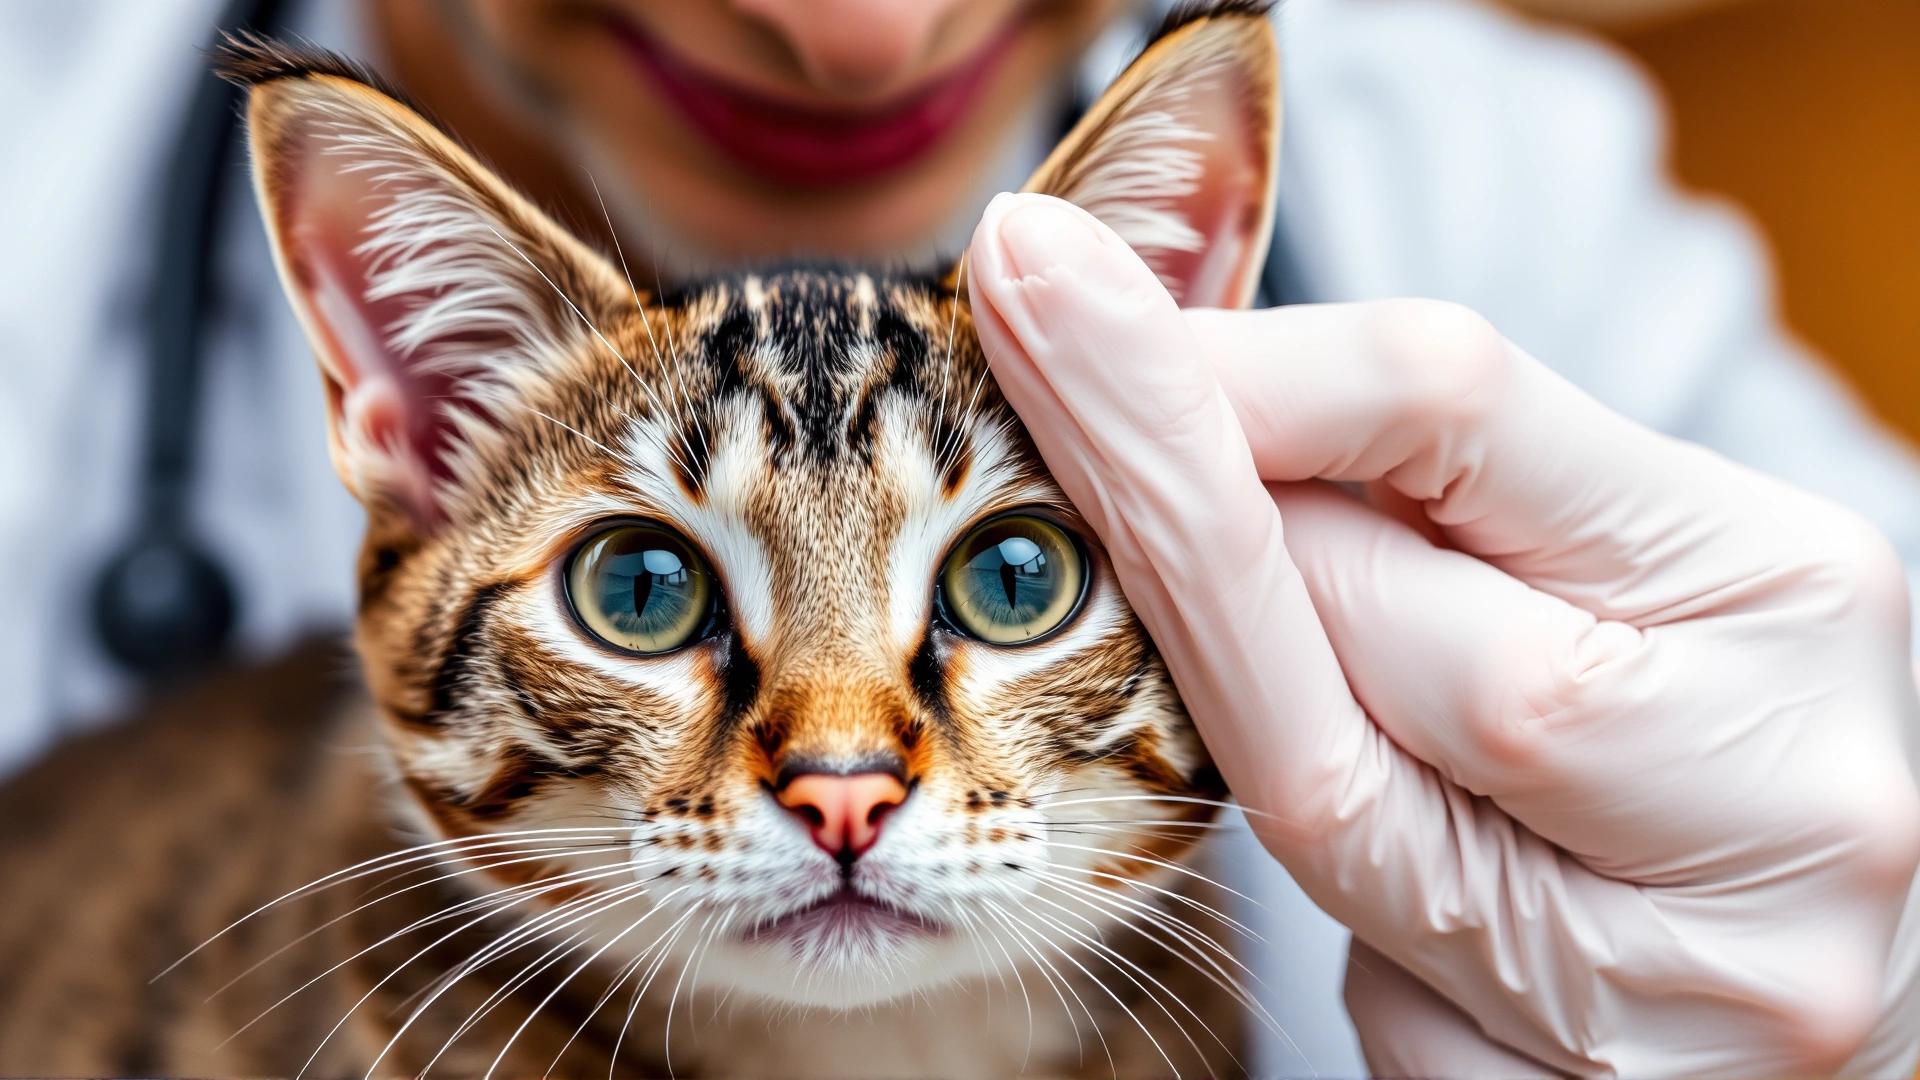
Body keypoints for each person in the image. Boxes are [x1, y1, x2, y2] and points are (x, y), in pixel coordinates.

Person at [2, 0, 1917, 1073]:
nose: (863, 31)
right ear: (409, 407)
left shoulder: (1479, 166)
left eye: (1014, 576)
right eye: (644, 583)